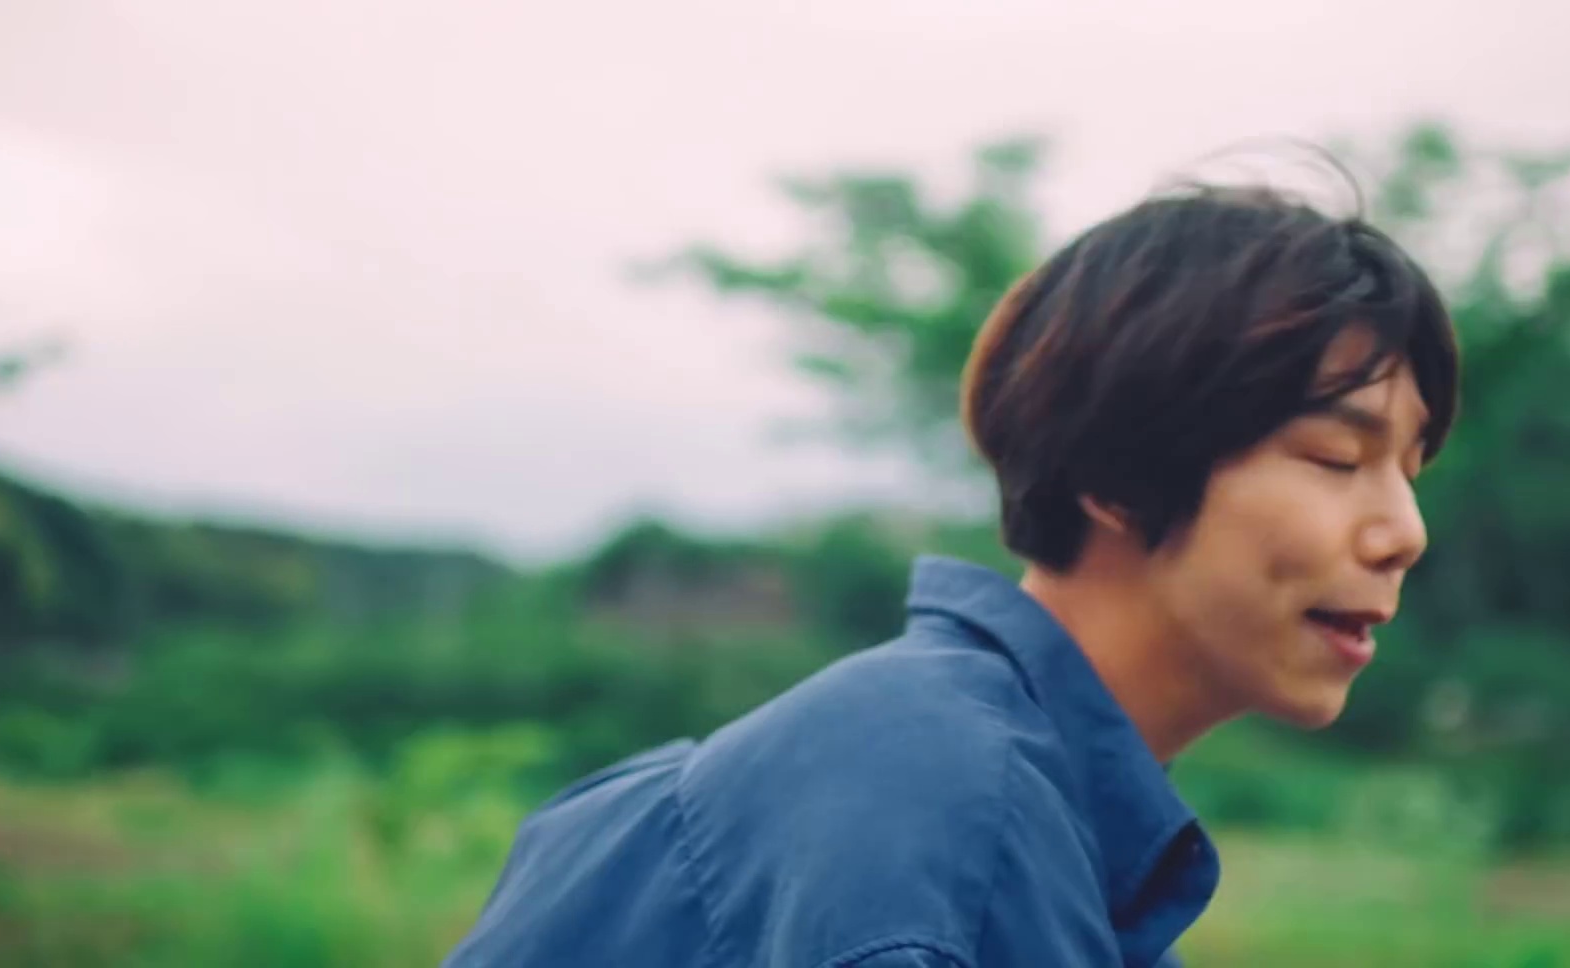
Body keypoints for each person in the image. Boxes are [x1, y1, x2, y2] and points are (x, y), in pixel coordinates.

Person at [442, 174, 1459, 968]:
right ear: (1116, 470)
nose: (1404, 533)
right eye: (1336, 458)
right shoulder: (953, 835)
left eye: (1409, 472)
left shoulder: (995, 796)